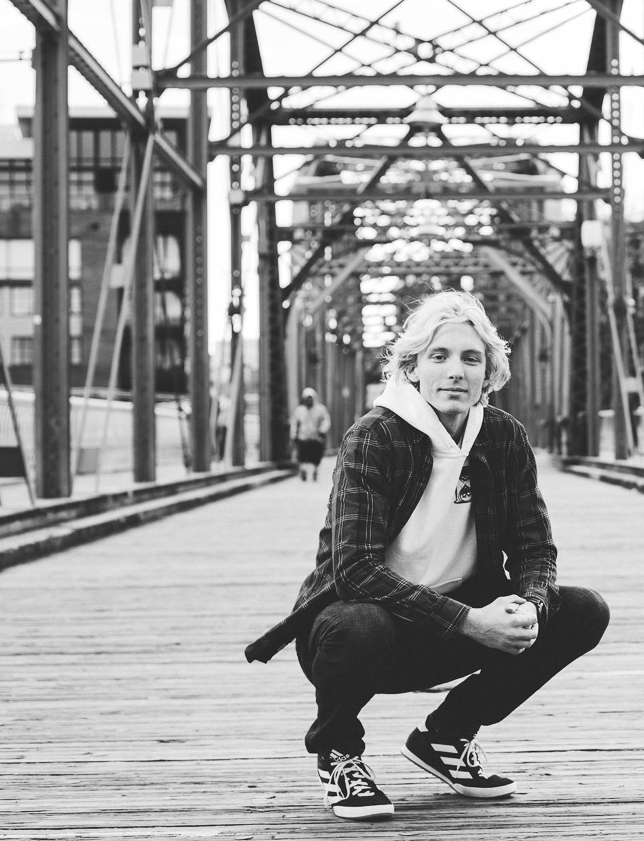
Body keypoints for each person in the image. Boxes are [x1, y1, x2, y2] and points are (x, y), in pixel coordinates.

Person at [245, 291, 610, 822]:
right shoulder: (374, 437)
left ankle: (445, 736)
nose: (455, 372)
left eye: (471, 358)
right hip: (367, 634)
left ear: (490, 373)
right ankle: (339, 751)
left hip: (455, 624)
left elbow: (535, 546)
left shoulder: (503, 437)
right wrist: (468, 622)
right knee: (358, 624)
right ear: (412, 368)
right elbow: (353, 569)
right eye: (438, 357)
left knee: (581, 610)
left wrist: (531, 603)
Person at [291, 387, 331, 482]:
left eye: (311, 398)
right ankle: (303, 470)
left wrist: (322, 430)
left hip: (315, 438)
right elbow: (294, 423)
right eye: (307, 398)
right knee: (302, 456)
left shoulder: (320, 409)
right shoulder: (299, 410)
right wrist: (293, 434)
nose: (309, 400)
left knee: (316, 457)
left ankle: (315, 471)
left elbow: (326, 420)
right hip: (303, 437)